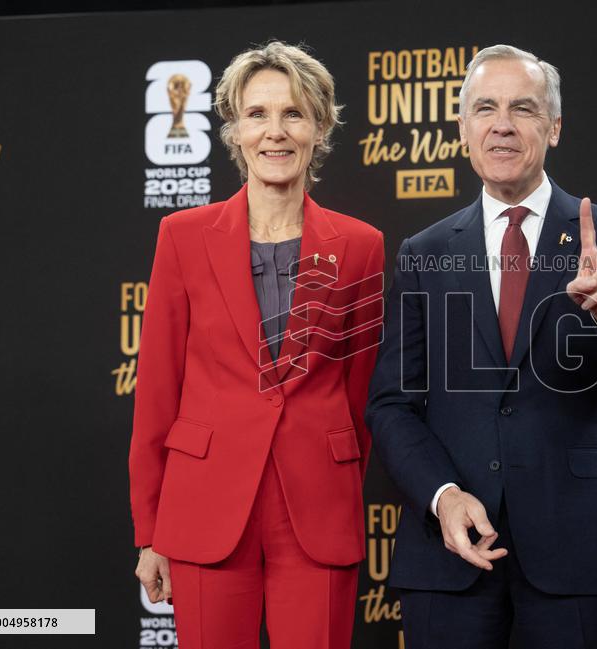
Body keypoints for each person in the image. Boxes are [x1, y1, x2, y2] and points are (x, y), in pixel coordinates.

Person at [366, 44, 597, 648]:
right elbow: (391, 404)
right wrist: (442, 495)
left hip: (580, 552)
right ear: (462, 131)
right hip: (450, 553)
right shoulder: (423, 253)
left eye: (524, 108)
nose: (503, 123)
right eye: (485, 108)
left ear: (554, 126)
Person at [129, 41, 384, 649]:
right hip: (204, 512)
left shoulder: (361, 245)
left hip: (316, 515)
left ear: (320, 127)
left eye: (293, 114)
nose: (276, 132)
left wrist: (335, 483)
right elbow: (158, 393)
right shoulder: (183, 237)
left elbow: (363, 396)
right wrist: (149, 530)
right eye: (257, 114)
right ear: (234, 130)